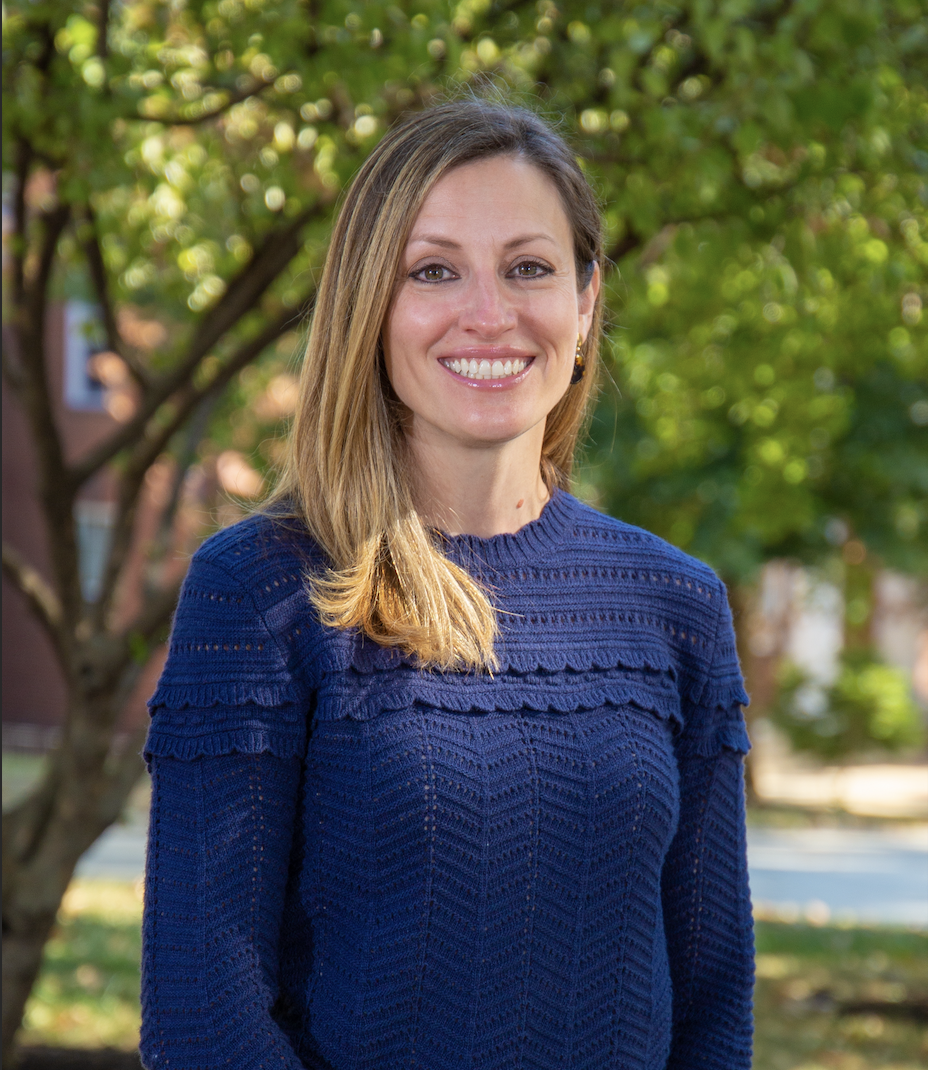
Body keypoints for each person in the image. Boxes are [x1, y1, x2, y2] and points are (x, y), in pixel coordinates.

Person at [140, 99, 754, 1070]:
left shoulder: (675, 603)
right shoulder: (263, 589)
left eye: (529, 268)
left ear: (586, 302)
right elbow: (201, 1015)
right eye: (434, 270)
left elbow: (714, 999)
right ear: (370, 305)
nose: (488, 313)